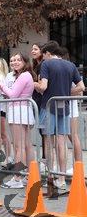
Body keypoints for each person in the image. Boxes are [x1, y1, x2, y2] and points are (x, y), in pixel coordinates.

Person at [35, 41, 85, 189]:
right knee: (62, 142)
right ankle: (62, 179)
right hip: (64, 106)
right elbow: (81, 87)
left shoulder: (46, 64)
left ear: (48, 53)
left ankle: (51, 176)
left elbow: (43, 86)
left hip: (48, 105)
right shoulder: (70, 65)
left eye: (43, 55)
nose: (43, 58)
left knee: (49, 142)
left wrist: (35, 84)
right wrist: (65, 93)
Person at [0, 53, 35, 189]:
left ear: (25, 62)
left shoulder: (24, 76)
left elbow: (12, 95)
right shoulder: (24, 75)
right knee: (26, 145)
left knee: (19, 146)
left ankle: (17, 177)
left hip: (19, 112)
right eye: (12, 60)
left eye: (18, 60)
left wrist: (1, 86)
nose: (14, 62)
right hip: (22, 111)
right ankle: (29, 175)